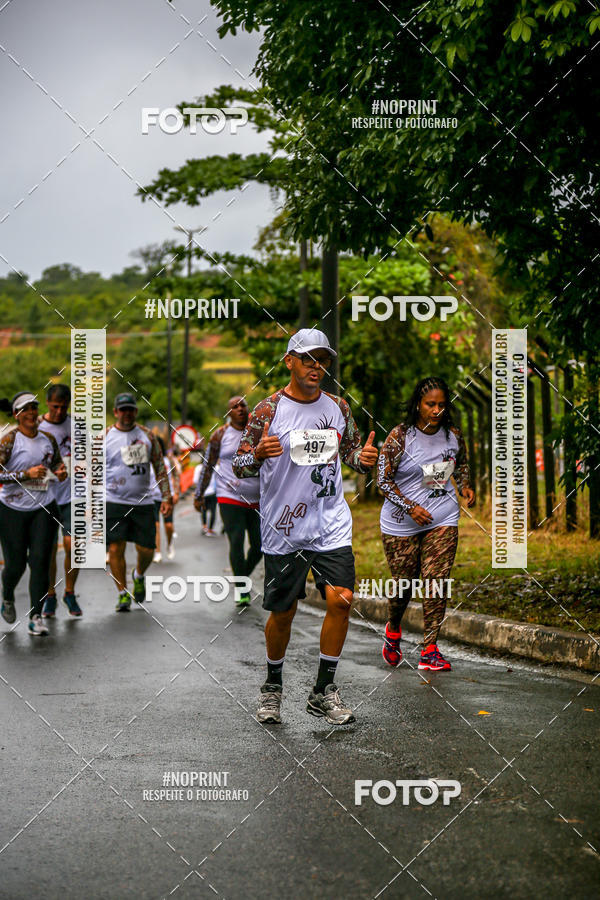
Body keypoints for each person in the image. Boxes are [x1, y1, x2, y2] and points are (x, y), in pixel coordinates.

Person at [232, 328, 378, 726]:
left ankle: (323, 690)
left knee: (341, 600)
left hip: (331, 522)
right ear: (289, 362)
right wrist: (257, 453)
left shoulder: (338, 407)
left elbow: (351, 454)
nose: (317, 367)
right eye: (309, 359)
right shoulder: (268, 410)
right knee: (284, 612)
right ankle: (272, 686)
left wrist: (363, 459)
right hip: (285, 527)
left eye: (323, 360)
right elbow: (239, 464)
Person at [377, 376, 475, 672]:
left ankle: (430, 649)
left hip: (442, 517)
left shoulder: (452, 435)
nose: (436, 410)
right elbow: (383, 480)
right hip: (401, 524)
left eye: (442, 405)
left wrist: (465, 485)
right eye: (430, 404)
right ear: (418, 405)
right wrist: (411, 507)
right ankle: (394, 628)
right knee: (404, 587)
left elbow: (461, 463)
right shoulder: (400, 437)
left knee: (436, 581)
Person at [0, 392, 67, 635]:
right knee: (16, 565)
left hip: (43, 508)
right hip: (12, 510)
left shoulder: (48, 438)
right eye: (25, 409)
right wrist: (25, 475)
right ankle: (7, 595)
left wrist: (60, 471)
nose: (31, 413)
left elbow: (56, 463)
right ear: (17, 415)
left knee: (40, 562)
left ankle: (36, 616)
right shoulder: (9, 441)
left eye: (34, 408)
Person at [105, 394, 172, 612]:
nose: (126, 413)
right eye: (122, 409)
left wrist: (166, 496)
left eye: (130, 409)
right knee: (115, 547)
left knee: (147, 549)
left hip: (142, 502)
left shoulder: (147, 436)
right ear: (115, 412)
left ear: (135, 412)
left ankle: (139, 575)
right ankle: (122, 594)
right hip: (113, 500)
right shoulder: (104, 437)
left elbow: (160, 467)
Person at [194, 397, 261, 606]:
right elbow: (207, 466)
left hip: (258, 497)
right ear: (229, 412)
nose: (240, 409)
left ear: (248, 408)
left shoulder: (258, 432)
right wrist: (199, 494)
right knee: (237, 540)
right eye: (234, 406)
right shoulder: (220, 435)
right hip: (229, 495)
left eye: (243, 405)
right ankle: (242, 588)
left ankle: (242, 575)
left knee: (260, 545)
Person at [39, 384, 82, 617]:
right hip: (44, 496)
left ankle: (69, 592)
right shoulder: (36, 426)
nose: (59, 412)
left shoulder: (78, 426)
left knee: (74, 545)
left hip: (73, 496)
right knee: (47, 550)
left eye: (63, 407)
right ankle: (50, 595)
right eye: (55, 406)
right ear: (47, 403)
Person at [150, 435, 180, 563]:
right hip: (153, 497)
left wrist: (176, 492)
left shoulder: (168, 460)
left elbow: (176, 475)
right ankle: (157, 552)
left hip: (167, 496)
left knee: (168, 525)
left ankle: (169, 544)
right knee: (155, 525)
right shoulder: (148, 460)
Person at [193, 462, 217, 535]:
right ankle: (210, 529)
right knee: (213, 511)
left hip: (203, 492)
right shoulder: (215, 467)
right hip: (213, 492)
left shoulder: (198, 467)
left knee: (203, 510)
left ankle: (204, 527)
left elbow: (195, 481)